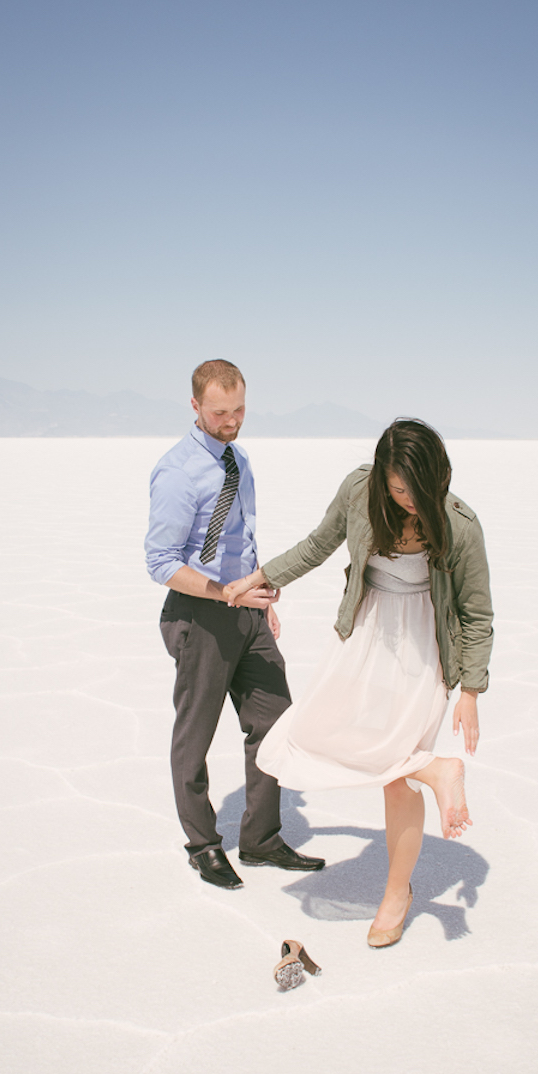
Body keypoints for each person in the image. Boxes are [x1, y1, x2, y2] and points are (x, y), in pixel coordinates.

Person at [226, 418, 493, 945]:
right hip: (366, 631)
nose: (409, 500)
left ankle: (397, 893)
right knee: (310, 733)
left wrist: (471, 692)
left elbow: (475, 612)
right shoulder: (358, 490)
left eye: (419, 489)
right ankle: (436, 769)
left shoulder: (460, 523)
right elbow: (319, 542)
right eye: (398, 489)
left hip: (424, 648)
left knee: (395, 774)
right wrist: (264, 577)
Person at [145, 359, 325, 889]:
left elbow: (239, 535)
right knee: (195, 736)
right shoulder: (177, 471)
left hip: (246, 609)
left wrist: (255, 593)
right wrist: (220, 591)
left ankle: (261, 839)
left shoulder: (238, 460)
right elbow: (161, 561)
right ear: (196, 406)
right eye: (220, 412)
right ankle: (202, 844)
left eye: (240, 409)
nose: (232, 420)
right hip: (199, 614)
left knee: (276, 724)